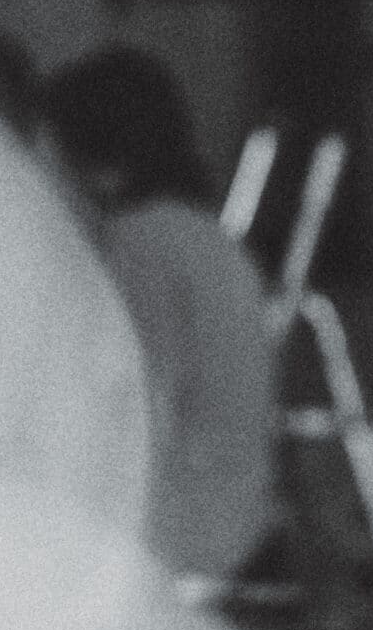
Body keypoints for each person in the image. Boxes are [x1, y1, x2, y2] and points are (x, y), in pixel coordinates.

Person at [44, 45, 276, 582]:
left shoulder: (141, 243)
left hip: (174, 523)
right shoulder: (203, 238)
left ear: (100, 163)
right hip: (232, 514)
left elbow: (145, 405)